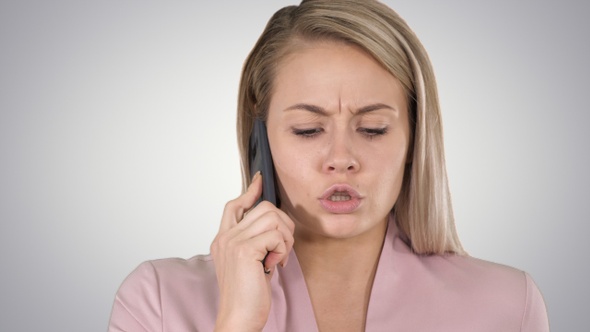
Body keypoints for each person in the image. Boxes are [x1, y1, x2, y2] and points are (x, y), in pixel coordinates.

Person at [108, 0, 550, 331]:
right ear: (259, 137)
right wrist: (238, 321)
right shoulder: (158, 300)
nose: (341, 159)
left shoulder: (508, 306)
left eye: (373, 128)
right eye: (307, 130)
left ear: (415, 138)